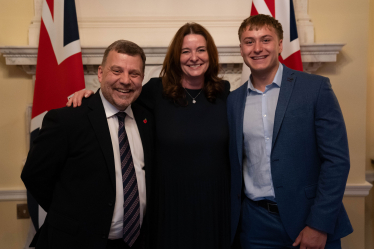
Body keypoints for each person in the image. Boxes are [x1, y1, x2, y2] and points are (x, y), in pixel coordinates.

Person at [67, 23, 231, 249]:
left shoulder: (225, 92)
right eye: (185, 51)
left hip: (215, 206)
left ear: (210, 54)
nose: (194, 57)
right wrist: (90, 96)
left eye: (201, 50)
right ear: (176, 56)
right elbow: (119, 96)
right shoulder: (156, 91)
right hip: (168, 208)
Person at [228, 14, 353, 249]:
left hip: (309, 220)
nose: (257, 48)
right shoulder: (233, 101)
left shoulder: (315, 89)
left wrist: (319, 224)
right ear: (241, 49)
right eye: (249, 41)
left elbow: (336, 161)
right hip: (255, 226)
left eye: (266, 39)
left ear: (280, 44)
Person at [21, 40, 154, 249]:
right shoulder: (68, 120)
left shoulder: (147, 119)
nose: (125, 80)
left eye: (134, 73)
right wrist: (70, 216)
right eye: (116, 70)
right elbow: (34, 176)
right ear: (100, 73)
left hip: (135, 243)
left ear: (142, 78)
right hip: (77, 242)